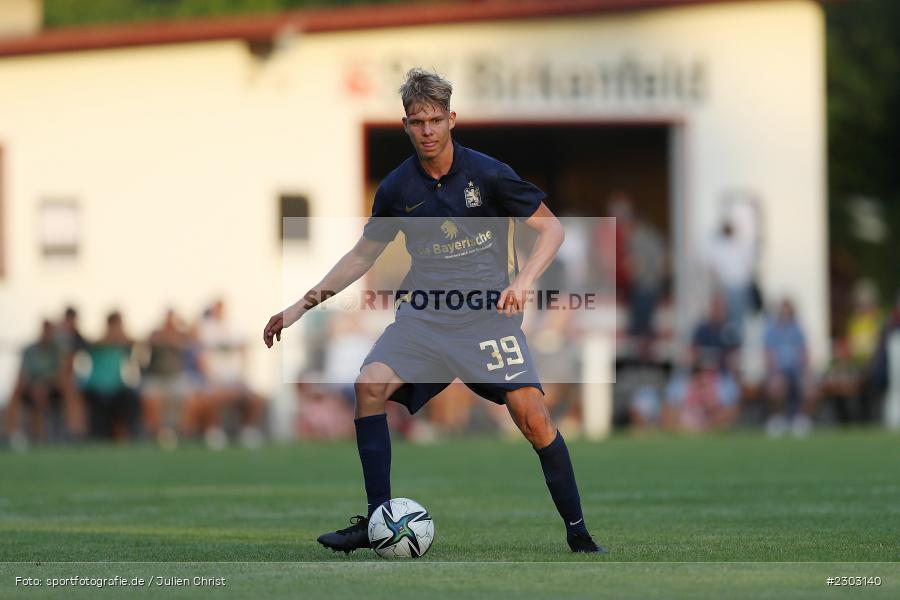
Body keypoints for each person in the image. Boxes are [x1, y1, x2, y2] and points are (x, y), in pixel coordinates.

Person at [263, 68, 605, 554]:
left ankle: (578, 532)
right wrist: (301, 304)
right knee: (369, 385)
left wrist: (524, 282)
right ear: (405, 125)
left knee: (532, 416)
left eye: (435, 119)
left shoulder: (487, 174)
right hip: (424, 319)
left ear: (452, 119)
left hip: (487, 318)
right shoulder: (398, 189)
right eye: (416, 121)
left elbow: (551, 230)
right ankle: (378, 519)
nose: (427, 130)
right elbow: (363, 254)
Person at [4, 319, 68, 443]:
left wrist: (46, 385)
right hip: (31, 387)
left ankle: (74, 433)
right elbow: (22, 375)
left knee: (68, 390)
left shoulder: (57, 351)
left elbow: (61, 375)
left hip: (52, 388)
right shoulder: (29, 350)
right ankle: (10, 434)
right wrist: (33, 386)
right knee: (17, 392)